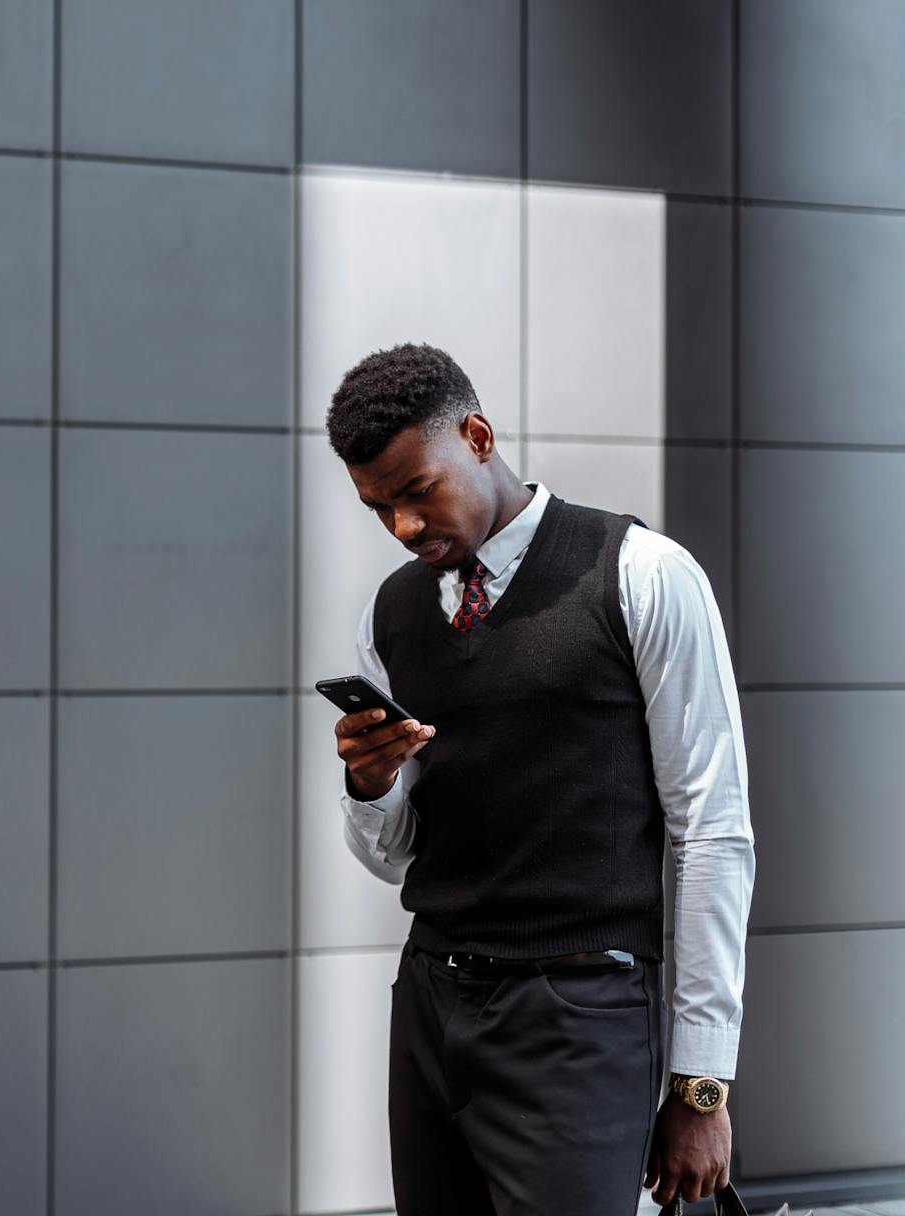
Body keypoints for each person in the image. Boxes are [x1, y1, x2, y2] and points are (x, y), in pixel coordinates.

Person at [325, 344, 754, 1213]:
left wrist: (702, 1083)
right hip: (432, 1002)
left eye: (416, 491)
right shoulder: (393, 611)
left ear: (477, 435)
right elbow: (395, 856)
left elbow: (711, 828)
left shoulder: (639, 575)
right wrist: (371, 790)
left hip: (581, 1009)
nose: (405, 527)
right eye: (380, 509)